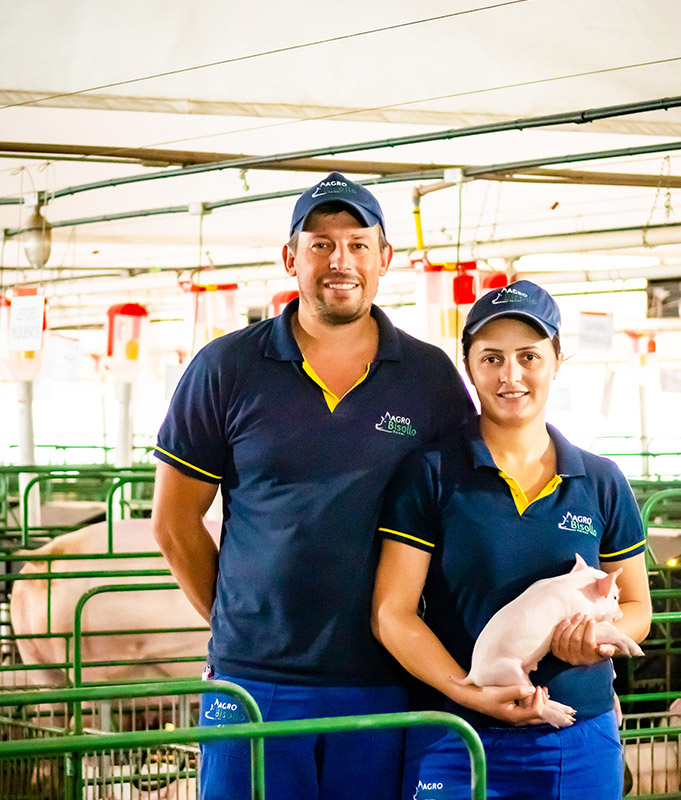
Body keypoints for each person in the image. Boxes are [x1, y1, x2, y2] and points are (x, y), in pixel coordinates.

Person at [151, 172, 476, 800]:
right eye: (321, 244)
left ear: (385, 259)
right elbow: (173, 522)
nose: (340, 261)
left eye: (358, 244)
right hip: (254, 682)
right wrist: (239, 623)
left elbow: (463, 511)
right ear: (290, 258)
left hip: (385, 675)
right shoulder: (226, 367)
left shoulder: (430, 377)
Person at [372, 279, 652, 800]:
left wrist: (593, 641)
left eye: (529, 356)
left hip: (575, 733)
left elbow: (637, 605)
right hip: (456, 735)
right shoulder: (430, 473)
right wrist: (467, 691)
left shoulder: (601, 480)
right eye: (492, 358)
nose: (511, 375)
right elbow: (393, 612)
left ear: (556, 361)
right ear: (470, 367)